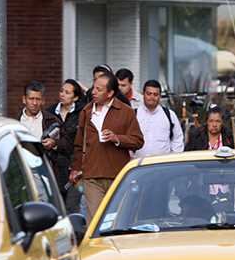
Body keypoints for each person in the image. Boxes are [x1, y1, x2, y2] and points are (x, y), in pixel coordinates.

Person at [70, 73, 144, 220]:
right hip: (91, 175)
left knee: (116, 220)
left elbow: (138, 141)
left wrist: (117, 138)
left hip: (116, 175)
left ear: (110, 93)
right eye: (94, 88)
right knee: (95, 220)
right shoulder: (86, 111)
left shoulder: (126, 111)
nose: (93, 92)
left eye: (99, 89)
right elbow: (79, 143)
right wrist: (76, 168)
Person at [46, 79, 85, 212]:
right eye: (61, 91)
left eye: (67, 92)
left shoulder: (82, 113)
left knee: (72, 206)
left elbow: (79, 141)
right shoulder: (50, 112)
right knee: (55, 205)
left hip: (74, 166)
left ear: (76, 97)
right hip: (54, 166)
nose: (62, 94)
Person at [19, 81, 62, 178]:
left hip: (45, 173)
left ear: (43, 101)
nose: (34, 103)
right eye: (31, 99)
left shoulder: (53, 121)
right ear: (24, 99)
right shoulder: (15, 123)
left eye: (38, 99)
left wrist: (54, 143)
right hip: (22, 173)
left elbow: (67, 146)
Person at [134, 80, 184, 158]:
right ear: (143, 94)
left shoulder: (169, 115)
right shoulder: (134, 115)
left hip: (162, 166)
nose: (152, 97)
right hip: (138, 165)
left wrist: (173, 159)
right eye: (149, 94)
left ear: (160, 96)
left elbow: (178, 139)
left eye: (155, 94)